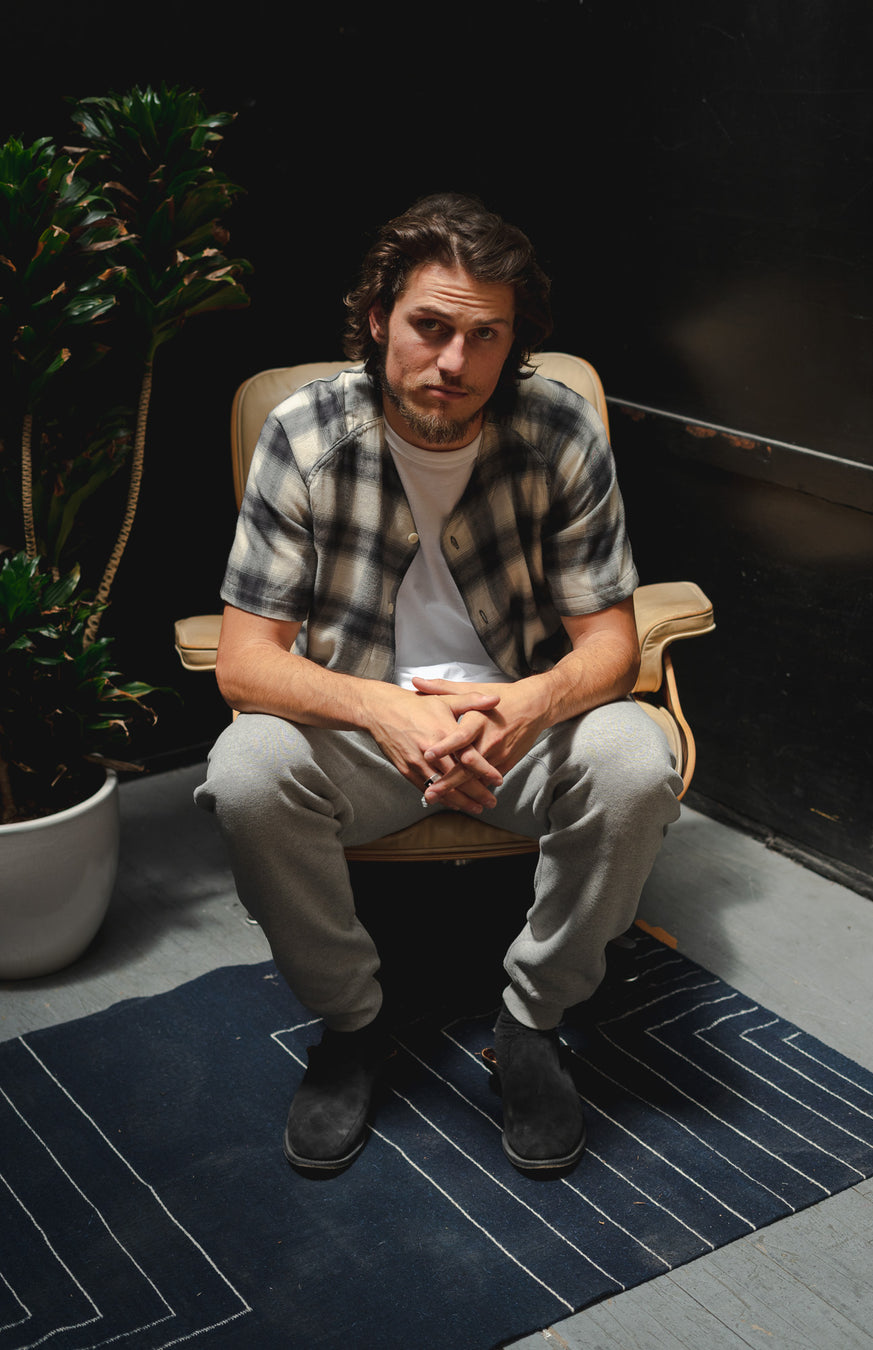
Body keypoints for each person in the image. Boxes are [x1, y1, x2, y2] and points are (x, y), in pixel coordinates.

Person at [196, 192, 681, 1175]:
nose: (453, 363)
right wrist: (390, 713)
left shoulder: (560, 428)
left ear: (514, 343)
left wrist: (520, 708)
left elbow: (610, 646)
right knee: (247, 766)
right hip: (366, 735)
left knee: (636, 753)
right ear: (379, 318)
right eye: (429, 326)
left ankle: (532, 1022)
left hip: (519, 727)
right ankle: (353, 1024)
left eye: (484, 336)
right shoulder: (304, 433)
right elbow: (246, 662)